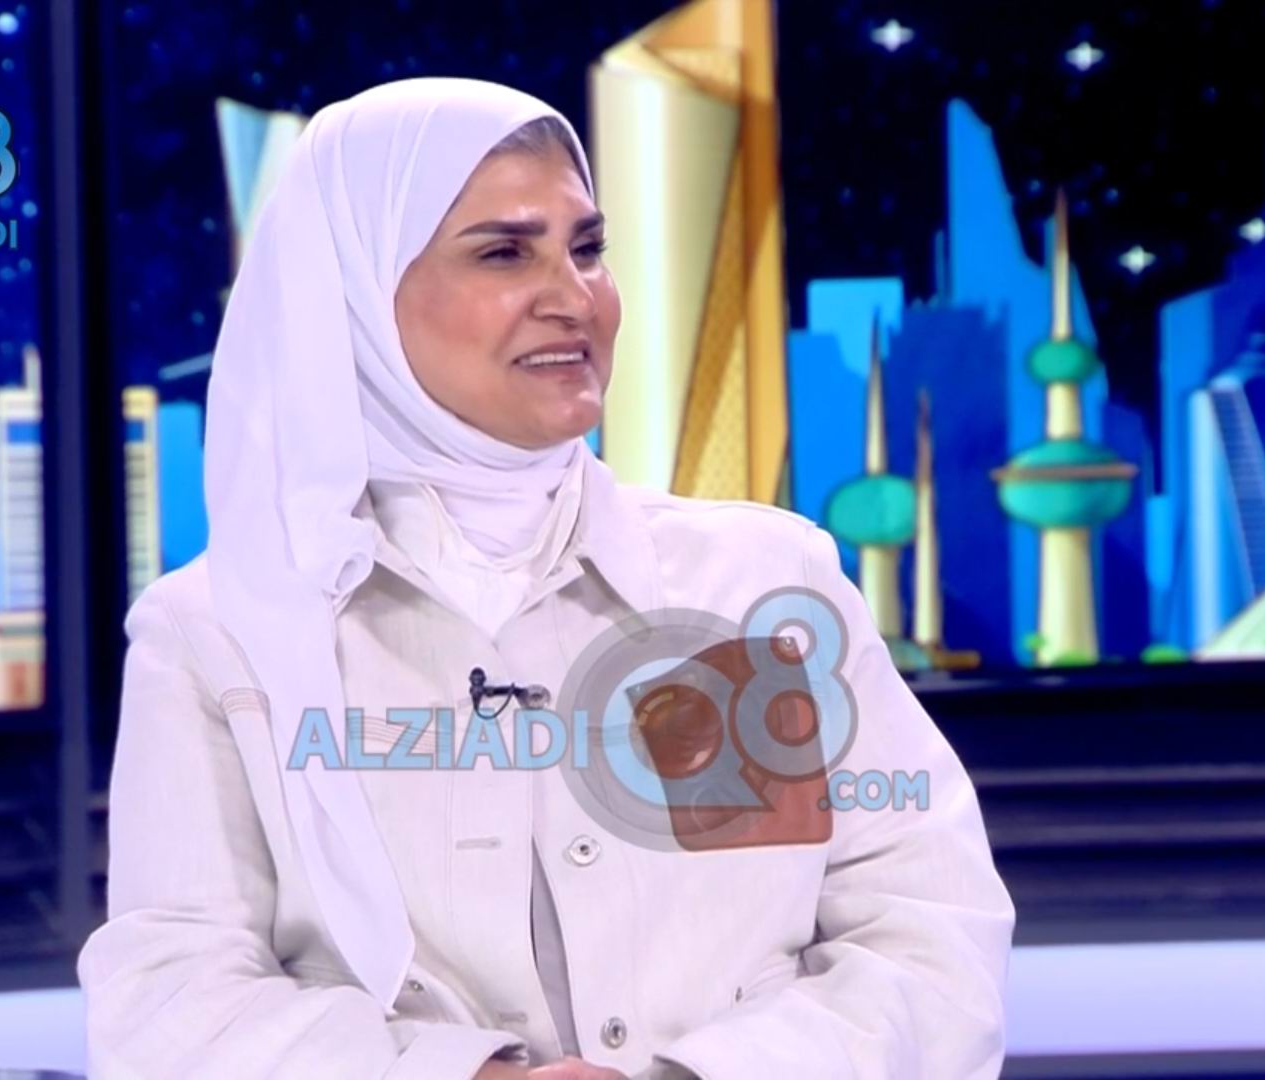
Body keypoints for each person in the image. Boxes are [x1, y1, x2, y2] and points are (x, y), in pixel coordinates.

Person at [76, 76, 1014, 1080]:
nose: (574, 297)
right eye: (504, 252)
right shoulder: (216, 630)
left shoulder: (760, 586)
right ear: (353, 295)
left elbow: (930, 933)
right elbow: (172, 1002)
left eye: (587, 248)